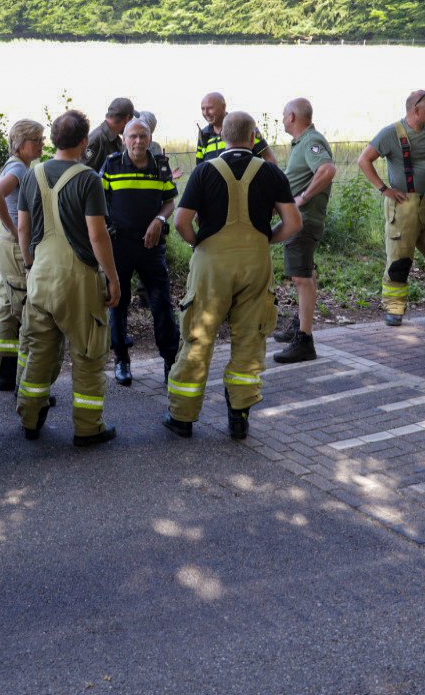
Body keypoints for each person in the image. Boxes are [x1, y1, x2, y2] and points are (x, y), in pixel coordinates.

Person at [165, 112, 301, 440]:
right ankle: (239, 416)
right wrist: (265, 239)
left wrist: (200, 243)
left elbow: (181, 221)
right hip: (255, 262)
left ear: (222, 136)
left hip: (211, 264)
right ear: (254, 137)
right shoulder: (271, 172)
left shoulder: (204, 171)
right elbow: (294, 223)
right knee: (251, 338)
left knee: (198, 336)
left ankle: (182, 418)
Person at [17, 110, 123, 446]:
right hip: (78, 280)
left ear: (52, 140)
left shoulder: (32, 174)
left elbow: (23, 226)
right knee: (89, 354)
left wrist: (31, 262)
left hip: (41, 275)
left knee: (39, 352)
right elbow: (97, 235)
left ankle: (30, 419)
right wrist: (113, 277)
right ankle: (88, 428)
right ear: (83, 142)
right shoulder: (88, 178)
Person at [357, 89, 425, 328]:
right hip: (403, 208)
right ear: (416, 110)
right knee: (400, 262)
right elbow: (364, 160)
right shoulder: (390, 133)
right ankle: (394, 308)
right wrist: (384, 189)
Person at [100, 118, 180, 387]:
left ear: (150, 137)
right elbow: (99, 201)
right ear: (124, 138)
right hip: (119, 246)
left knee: (161, 304)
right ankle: (122, 359)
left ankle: (170, 361)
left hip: (151, 246)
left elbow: (169, 201)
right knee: (118, 303)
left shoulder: (160, 165)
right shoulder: (112, 164)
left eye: (142, 136)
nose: (138, 141)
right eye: (132, 136)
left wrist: (159, 220)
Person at [273, 98, 336, 364]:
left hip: (304, 219)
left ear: (292, 117)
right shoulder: (301, 143)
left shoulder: (312, 141)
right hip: (298, 218)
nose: (283, 118)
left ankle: (304, 340)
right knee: (304, 273)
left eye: (284, 114)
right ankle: (300, 323)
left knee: (301, 278)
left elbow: (328, 169)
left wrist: (304, 197)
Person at [0, 119, 45, 391]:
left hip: (5, 244)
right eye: (37, 140)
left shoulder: (18, 166)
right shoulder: (19, 168)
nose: (43, 144)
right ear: (22, 144)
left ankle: (5, 376)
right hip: (14, 246)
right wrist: (13, 228)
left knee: (8, 310)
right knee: (27, 312)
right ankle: (25, 384)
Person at [195, 92, 277, 166]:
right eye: (203, 109)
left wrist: (274, 180)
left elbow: (269, 158)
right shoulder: (203, 134)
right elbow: (199, 166)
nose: (206, 113)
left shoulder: (244, 125)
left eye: (210, 108)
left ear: (223, 107)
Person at [83, 97, 135, 169]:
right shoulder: (97, 139)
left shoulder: (116, 138)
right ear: (127, 118)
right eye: (131, 119)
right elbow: (82, 174)